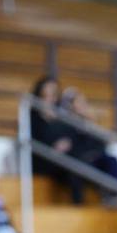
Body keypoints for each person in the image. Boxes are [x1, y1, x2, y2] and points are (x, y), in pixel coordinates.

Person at [29, 75, 84, 205]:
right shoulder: (31, 117)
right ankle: (78, 203)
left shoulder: (62, 117)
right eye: (45, 95)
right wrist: (53, 149)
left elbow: (73, 138)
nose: (50, 99)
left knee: (78, 162)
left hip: (62, 161)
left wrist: (66, 144)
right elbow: (33, 143)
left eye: (53, 95)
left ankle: (79, 204)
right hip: (43, 161)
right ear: (39, 95)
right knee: (73, 165)